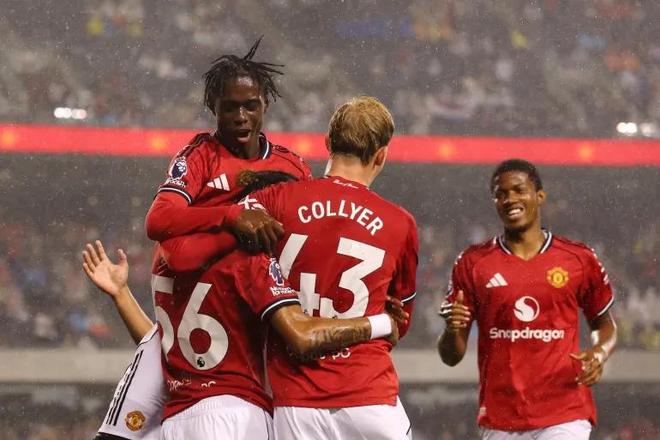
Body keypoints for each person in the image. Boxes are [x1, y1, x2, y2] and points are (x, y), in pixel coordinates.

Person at [91, 37, 312, 440]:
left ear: (266, 105)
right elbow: (162, 226)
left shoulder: (292, 167)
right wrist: (232, 217)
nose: (241, 117)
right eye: (230, 107)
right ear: (214, 107)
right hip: (181, 336)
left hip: (245, 321)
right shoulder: (198, 156)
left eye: (251, 106)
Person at [161, 96, 419, 439]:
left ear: (327, 143)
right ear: (382, 155)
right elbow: (399, 323)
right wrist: (382, 322)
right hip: (370, 395)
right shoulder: (401, 223)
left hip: (297, 404)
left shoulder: (276, 200)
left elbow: (181, 255)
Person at [437, 159, 618, 440]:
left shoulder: (578, 258)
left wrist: (599, 353)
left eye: (519, 190)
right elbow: (451, 357)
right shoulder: (473, 263)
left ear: (540, 196)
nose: (510, 199)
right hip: (501, 417)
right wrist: (451, 329)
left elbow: (604, 324)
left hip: (565, 412)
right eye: (501, 194)